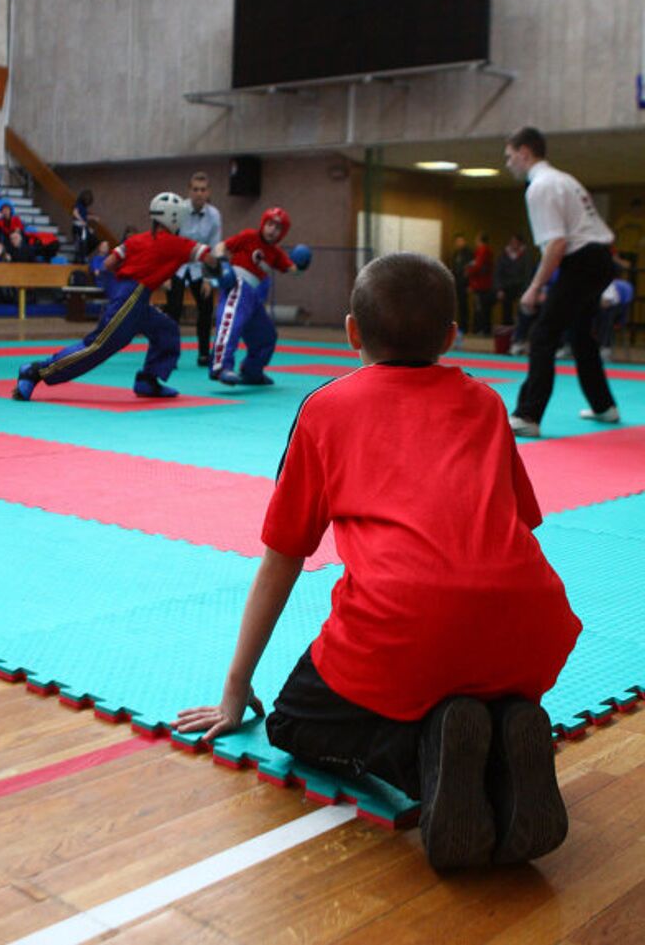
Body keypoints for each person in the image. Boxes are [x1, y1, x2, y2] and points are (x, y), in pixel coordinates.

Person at [175, 253, 580, 871]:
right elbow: (515, 528)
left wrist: (235, 691)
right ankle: (501, 740)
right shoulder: (488, 404)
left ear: (351, 332)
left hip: (401, 629)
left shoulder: (326, 409)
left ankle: (427, 754)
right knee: (465, 676)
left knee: (290, 725)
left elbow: (282, 559)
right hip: (531, 628)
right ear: (451, 337)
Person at [12, 192, 221, 402]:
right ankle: (36, 371)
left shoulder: (136, 240)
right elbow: (210, 257)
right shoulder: (176, 244)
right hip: (133, 298)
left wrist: (126, 283)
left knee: (166, 330)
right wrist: (223, 264)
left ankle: (148, 380)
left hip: (130, 295)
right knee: (98, 347)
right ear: (174, 218)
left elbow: (108, 263)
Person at [504, 127, 619, 437]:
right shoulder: (564, 179)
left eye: (510, 156)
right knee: (581, 335)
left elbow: (556, 244)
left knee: (543, 334)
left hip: (583, 262)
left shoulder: (540, 186)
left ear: (524, 153)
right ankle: (603, 406)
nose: (508, 163)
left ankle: (528, 414)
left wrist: (534, 287)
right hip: (598, 261)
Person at [210, 206, 310, 385]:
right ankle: (221, 367)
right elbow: (221, 246)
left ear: (283, 233)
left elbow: (292, 269)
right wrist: (222, 262)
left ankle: (252, 371)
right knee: (231, 324)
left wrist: (302, 265)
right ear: (263, 223)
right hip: (238, 286)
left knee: (266, 336)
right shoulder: (249, 236)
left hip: (254, 297)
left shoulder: (276, 253)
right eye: (271, 224)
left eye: (278, 228)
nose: (273, 230)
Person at [164, 172, 222, 366]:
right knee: (173, 311)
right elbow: (168, 243)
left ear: (208, 192)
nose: (199, 193)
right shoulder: (178, 211)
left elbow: (214, 249)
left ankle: (204, 354)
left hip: (200, 267)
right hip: (177, 264)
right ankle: (168, 354)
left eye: (203, 190)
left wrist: (208, 279)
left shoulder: (214, 216)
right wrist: (165, 274)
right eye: (195, 189)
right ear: (189, 191)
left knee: (206, 309)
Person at [494, 234, 531, 326]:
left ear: (520, 243)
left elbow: (528, 274)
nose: (514, 244)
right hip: (506, 287)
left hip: (521, 286)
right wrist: (499, 289)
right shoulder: (503, 256)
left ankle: (522, 329)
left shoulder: (525, 256)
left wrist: (527, 290)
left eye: (516, 242)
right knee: (506, 305)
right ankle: (507, 328)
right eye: (512, 242)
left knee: (524, 306)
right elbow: (498, 273)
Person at [595, 277, 635, 361]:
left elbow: (605, 303)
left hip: (616, 315)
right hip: (599, 313)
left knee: (605, 316)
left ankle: (605, 348)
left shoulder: (611, 285)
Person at [466, 231, 494, 335]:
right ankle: (482, 329)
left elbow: (477, 266)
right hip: (482, 284)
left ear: (479, 240)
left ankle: (481, 330)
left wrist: (468, 270)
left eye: (476, 239)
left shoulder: (483, 250)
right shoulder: (485, 250)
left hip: (481, 285)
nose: (475, 241)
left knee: (480, 308)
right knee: (481, 308)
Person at [450, 233, 473, 336]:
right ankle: (458, 327)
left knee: (464, 306)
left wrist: (470, 284)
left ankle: (465, 327)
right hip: (457, 283)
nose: (459, 243)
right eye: (457, 241)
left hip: (465, 283)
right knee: (457, 305)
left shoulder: (469, 254)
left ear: (464, 242)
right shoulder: (455, 254)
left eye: (461, 241)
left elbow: (471, 270)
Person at [72, 189, 99, 263]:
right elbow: (75, 213)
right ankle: (80, 258)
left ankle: (84, 255)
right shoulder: (78, 203)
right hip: (78, 227)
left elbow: (84, 216)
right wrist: (81, 220)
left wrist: (93, 218)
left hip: (83, 227)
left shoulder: (84, 207)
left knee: (94, 240)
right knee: (81, 243)